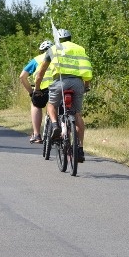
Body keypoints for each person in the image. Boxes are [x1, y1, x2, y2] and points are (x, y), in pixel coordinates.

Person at [34, 29, 92, 162]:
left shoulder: (53, 49)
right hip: (77, 83)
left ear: (57, 40)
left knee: (51, 105)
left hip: (60, 82)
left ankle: (55, 126)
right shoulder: (79, 49)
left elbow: (41, 72)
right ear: (70, 38)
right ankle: (80, 149)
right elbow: (86, 68)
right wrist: (86, 85)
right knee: (77, 114)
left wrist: (37, 88)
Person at [19, 40, 54, 143]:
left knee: (36, 105)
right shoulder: (58, 59)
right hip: (57, 87)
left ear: (41, 51)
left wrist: (31, 92)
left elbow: (22, 77)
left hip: (41, 88)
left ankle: (37, 134)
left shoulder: (36, 60)